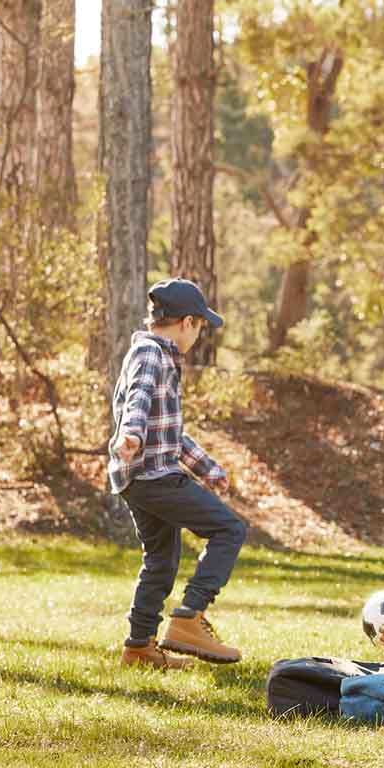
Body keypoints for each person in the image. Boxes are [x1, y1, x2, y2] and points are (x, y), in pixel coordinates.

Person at [108, 278, 248, 670]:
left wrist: (209, 469)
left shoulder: (154, 353)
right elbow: (138, 399)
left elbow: (170, 431)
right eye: (200, 326)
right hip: (155, 475)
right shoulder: (152, 355)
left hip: (138, 478)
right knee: (229, 529)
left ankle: (139, 648)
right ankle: (190, 617)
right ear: (186, 322)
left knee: (161, 560)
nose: (199, 334)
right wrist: (131, 434)